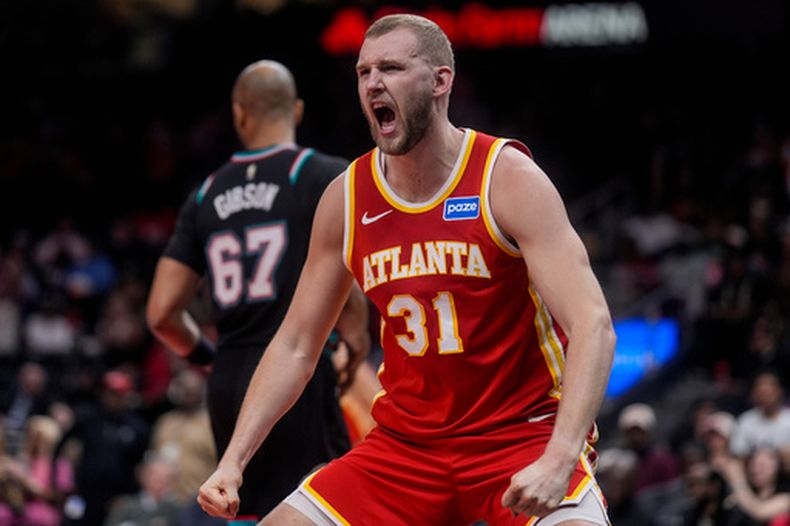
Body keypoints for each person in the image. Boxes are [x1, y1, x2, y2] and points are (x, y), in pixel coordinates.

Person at [198, 14, 615, 525]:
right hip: (406, 447)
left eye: (391, 68)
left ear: (440, 81)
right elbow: (297, 344)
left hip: (520, 435)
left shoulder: (507, 177)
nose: (373, 83)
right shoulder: (347, 198)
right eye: (363, 72)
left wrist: (561, 456)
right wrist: (233, 461)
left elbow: (592, 323)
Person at [146, 60, 370, 521]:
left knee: (242, 507)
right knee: (323, 510)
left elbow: (162, 313)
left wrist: (209, 356)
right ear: (297, 110)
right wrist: (355, 340)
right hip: (299, 372)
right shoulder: (323, 174)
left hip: (230, 378)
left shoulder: (206, 193)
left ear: (239, 113)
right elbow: (343, 281)